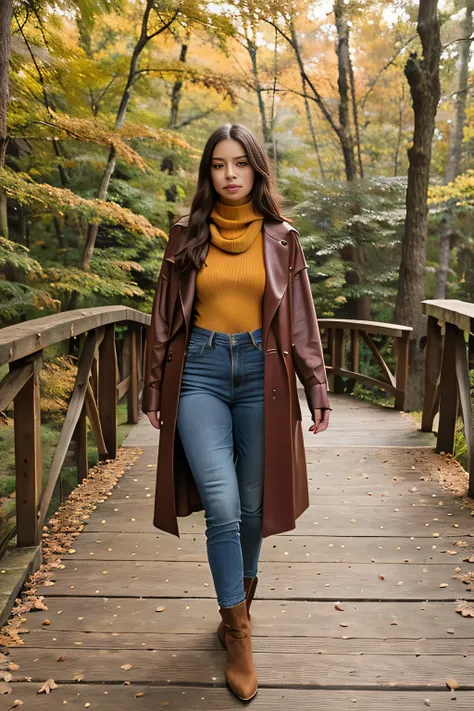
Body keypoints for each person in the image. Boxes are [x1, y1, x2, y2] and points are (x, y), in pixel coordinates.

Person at [142, 123, 331, 701]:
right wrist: (154, 386)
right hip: (198, 372)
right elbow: (161, 318)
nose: (229, 174)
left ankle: (237, 601)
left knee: (251, 506)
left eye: (240, 163)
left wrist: (315, 385)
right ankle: (239, 631)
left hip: (261, 375)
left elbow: (299, 318)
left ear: (255, 170)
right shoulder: (184, 235)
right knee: (223, 505)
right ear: (208, 173)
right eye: (218, 164)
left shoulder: (282, 237)